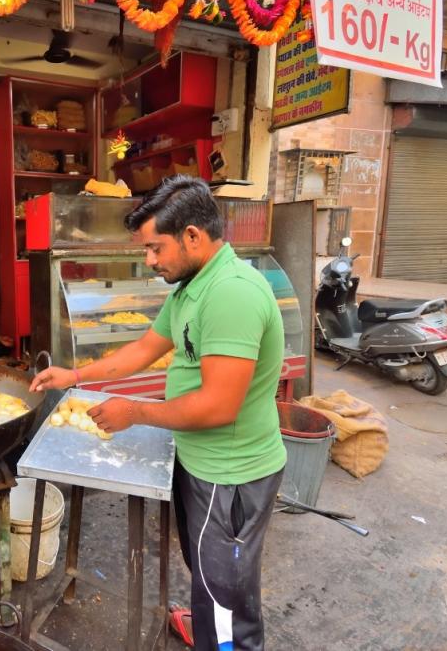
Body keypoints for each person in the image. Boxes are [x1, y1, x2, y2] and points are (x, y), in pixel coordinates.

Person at [30, 175, 286, 651]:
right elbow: (146, 348)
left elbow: (218, 405)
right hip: (198, 460)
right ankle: (207, 622)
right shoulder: (190, 287)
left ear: (193, 235)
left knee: (228, 596)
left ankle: (223, 639)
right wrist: (75, 375)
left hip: (230, 474)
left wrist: (135, 412)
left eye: (155, 248)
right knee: (208, 572)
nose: (148, 261)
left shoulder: (231, 292)